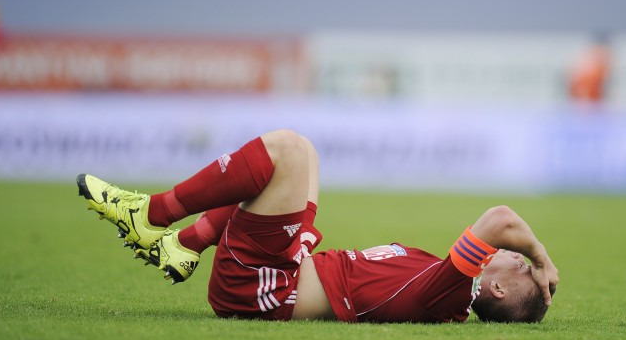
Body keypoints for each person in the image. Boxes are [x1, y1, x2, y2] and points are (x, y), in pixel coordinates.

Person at [77, 129, 559, 323]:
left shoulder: (449, 295)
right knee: (304, 153)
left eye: (517, 265)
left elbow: (501, 219)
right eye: (523, 259)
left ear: (497, 288)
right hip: (282, 272)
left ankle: (151, 216)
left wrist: (540, 258)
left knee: (286, 152)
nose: (513, 254)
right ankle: (184, 244)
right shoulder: (441, 282)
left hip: (263, 288)